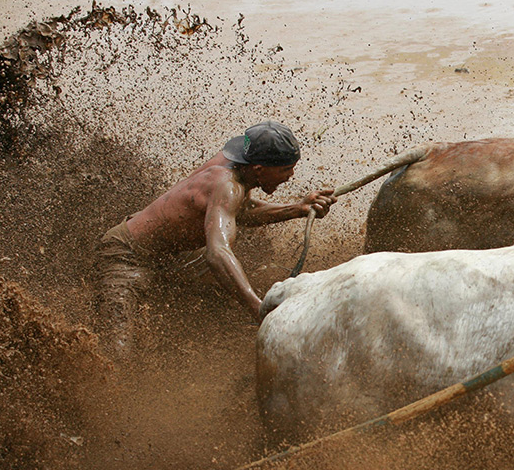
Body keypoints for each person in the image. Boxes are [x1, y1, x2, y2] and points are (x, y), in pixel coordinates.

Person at [95, 121, 336, 356]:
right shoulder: (226, 185)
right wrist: (258, 308)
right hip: (127, 255)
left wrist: (298, 208)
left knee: (221, 301)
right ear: (259, 169)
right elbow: (218, 253)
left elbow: (240, 210)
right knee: (118, 351)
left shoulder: (239, 168)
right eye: (285, 169)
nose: (290, 175)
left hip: (173, 254)